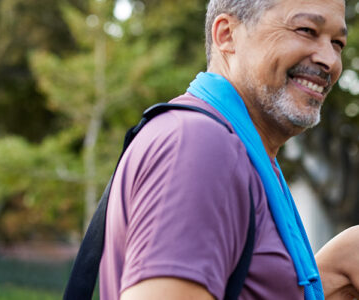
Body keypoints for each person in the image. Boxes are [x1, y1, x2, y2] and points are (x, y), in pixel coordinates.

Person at [99, 0, 359, 299]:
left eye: (338, 43)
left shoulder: (243, 152)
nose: (330, 60)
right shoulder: (201, 146)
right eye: (306, 30)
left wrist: (336, 269)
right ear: (227, 35)